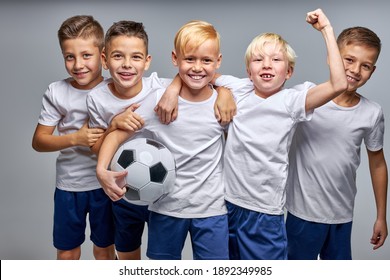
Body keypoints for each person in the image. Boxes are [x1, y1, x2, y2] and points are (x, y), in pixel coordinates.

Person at [208, 9, 347, 260]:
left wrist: (327, 30)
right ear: (248, 71)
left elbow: (339, 84)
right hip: (224, 204)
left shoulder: (292, 100)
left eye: (276, 60)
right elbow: (200, 73)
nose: (267, 65)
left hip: (264, 212)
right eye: (258, 59)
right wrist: (223, 92)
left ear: (289, 72)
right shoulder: (238, 88)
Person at [96, 20, 229, 260]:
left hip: (212, 210)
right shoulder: (160, 100)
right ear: (174, 59)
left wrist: (225, 91)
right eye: (189, 59)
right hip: (166, 209)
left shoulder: (224, 104)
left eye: (206, 61)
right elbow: (117, 134)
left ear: (217, 62)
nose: (197, 67)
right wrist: (101, 170)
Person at [285, 26, 388, 260]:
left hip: (342, 216)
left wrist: (381, 216)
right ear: (332, 57)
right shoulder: (306, 97)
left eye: (366, 65)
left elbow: (378, 164)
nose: (355, 70)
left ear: (372, 70)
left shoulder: (371, 113)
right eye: (349, 60)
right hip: (302, 214)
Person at [86, 20, 176, 260]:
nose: (127, 64)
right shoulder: (97, 98)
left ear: (147, 62)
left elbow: (193, 78)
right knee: (127, 255)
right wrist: (114, 124)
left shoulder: (159, 88)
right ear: (104, 60)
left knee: (162, 257)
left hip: (163, 189)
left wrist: (175, 89)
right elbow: (95, 147)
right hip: (124, 190)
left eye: (136, 57)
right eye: (118, 56)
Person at [31, 15, 116, 260]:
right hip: (69, 186)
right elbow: (39, 141)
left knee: (105, 250)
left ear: (102, 56)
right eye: (70, 57)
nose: (78, 64)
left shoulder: (115, 88)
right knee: (67, 252)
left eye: (86, 55)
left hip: (106, 185)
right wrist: (76, 139)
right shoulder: (57, 92)